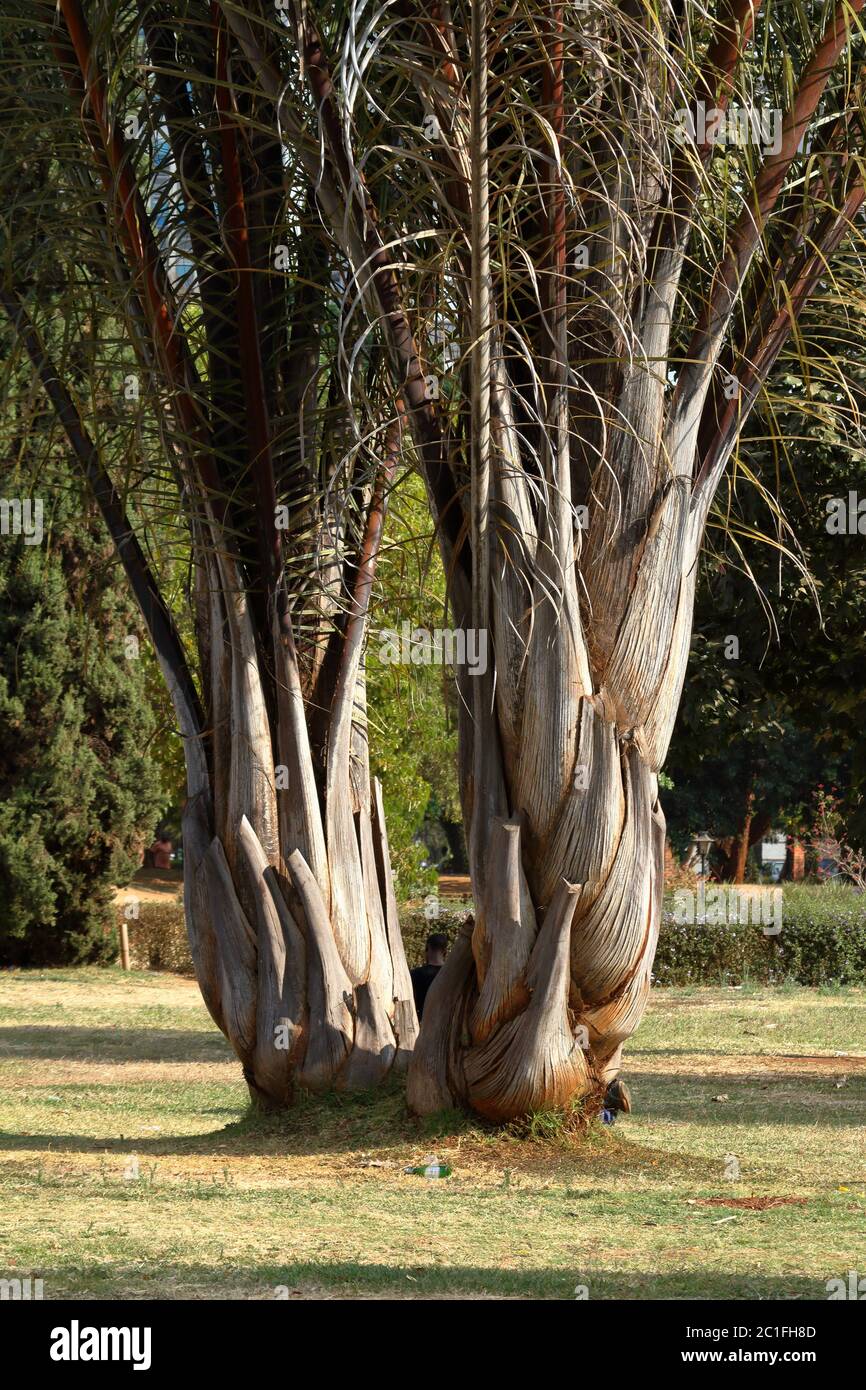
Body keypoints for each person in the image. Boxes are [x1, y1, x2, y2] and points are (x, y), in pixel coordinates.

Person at [410, 933, 448, 1021]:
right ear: (445, 951)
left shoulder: (415, 974)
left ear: (427, 948)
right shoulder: (453, 975)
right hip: (447, 1024)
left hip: (422, 1023)